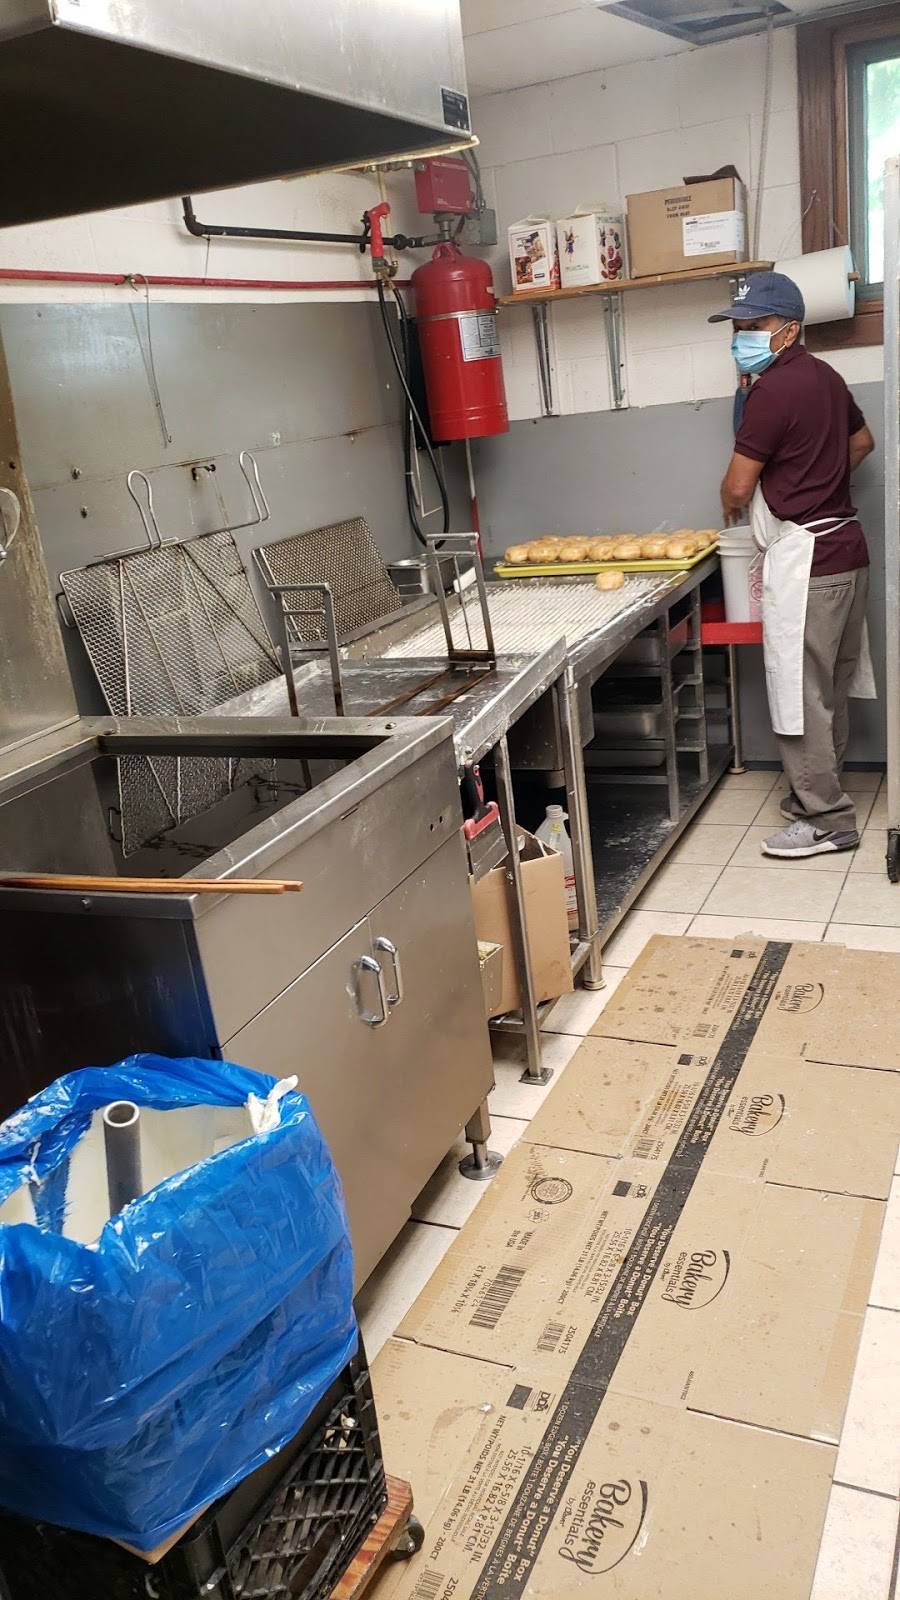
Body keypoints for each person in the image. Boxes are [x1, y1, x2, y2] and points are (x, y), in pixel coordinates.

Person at [712, 271, 876, 859]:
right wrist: (821, 480)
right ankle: (817, 794)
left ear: (788, 329)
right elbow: (863, 442)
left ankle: (827, 819)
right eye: (737, 327)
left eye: (753, 325)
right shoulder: (826, 377)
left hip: (808, 563)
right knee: (827, 686)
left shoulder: (772, 391)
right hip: (847, 554)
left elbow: (738, 485)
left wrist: (732, 503)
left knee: (801, 691)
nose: (742, 337)